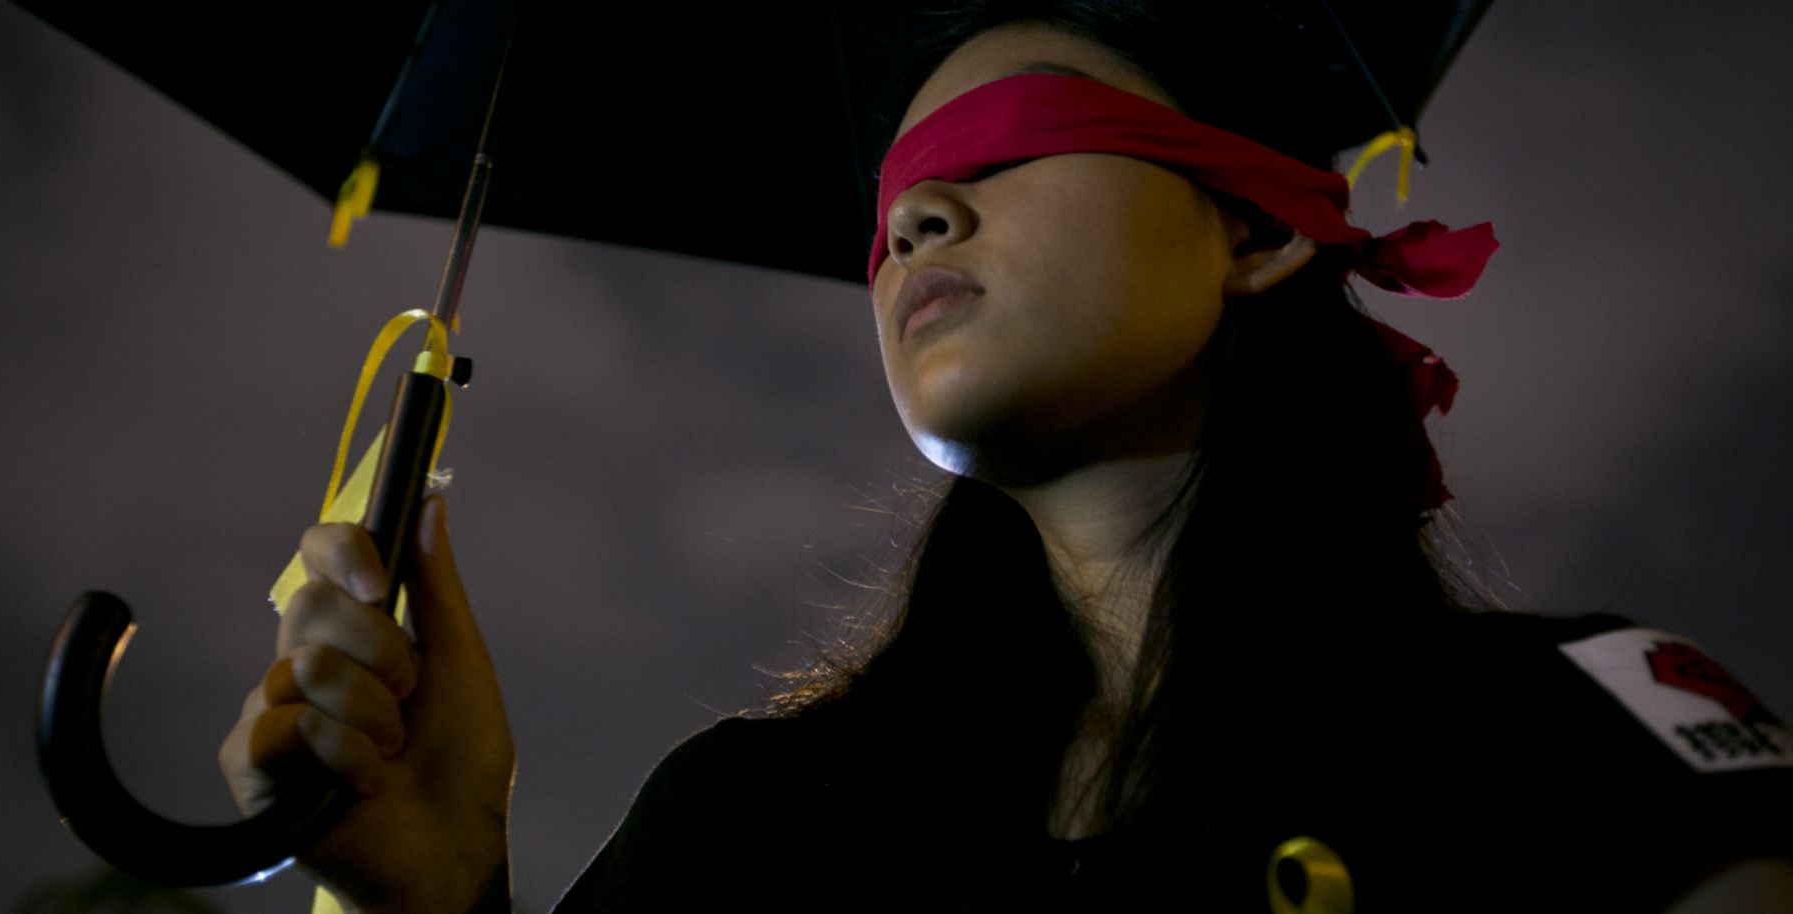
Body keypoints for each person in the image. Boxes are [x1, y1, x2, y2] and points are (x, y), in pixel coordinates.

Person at [219, 2, 1793, 912]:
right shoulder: (743, 832)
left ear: (1247, 231)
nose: (915, 215)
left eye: (1008, 144)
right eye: (899, 189)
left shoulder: (1589, 732)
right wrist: (435, 901)